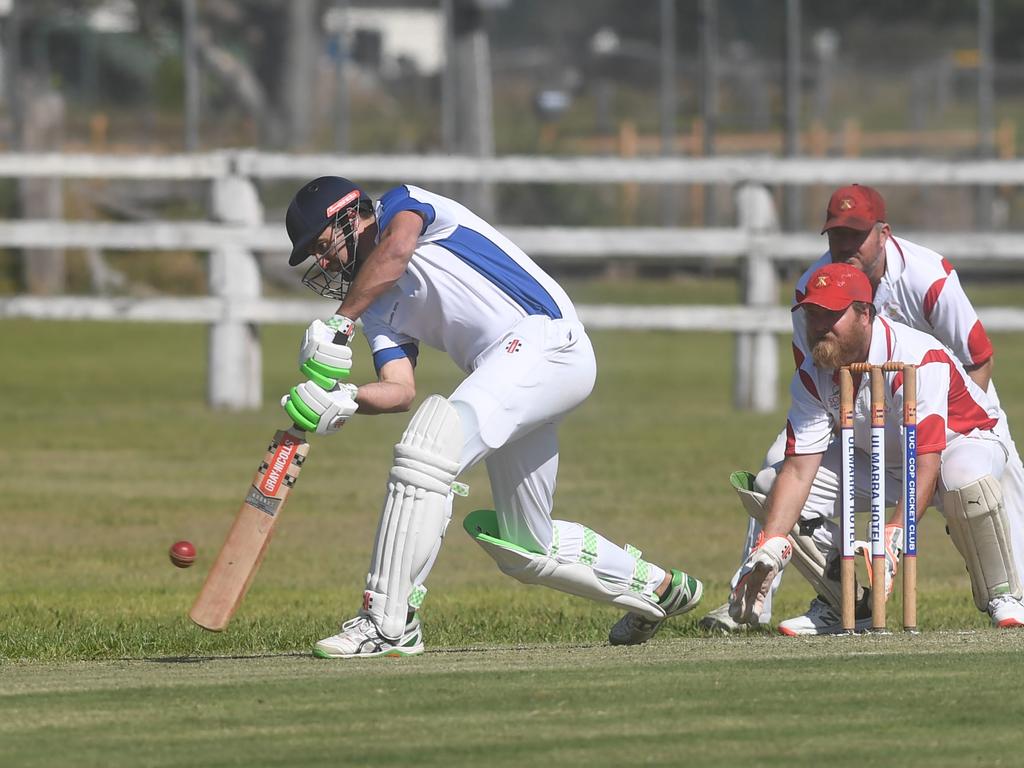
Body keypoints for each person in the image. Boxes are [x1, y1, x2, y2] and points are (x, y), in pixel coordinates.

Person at [280, 176, 703, 658]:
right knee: (526, 548)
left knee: (429, 446)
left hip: (548, 344)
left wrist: (341, 321)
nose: (327, 261)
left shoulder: (405, 205)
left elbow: (396, 250)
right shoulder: (376, 305)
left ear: (350, 214)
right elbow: (400, 390)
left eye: (324, 244)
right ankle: (661, 589)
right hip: (511, 374)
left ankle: (388, 621)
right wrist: (347, 397)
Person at [698, 184, 1024, 635]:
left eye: (832, 316)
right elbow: (798, 469)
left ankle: (1003, 595)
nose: (819, 327)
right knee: (774, 484)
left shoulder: (920, 335)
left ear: (866, 314)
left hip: (958, 439)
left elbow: (929, 454)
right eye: (814, 315)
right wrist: (772, 542)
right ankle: (845, 600)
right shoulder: (817, 366)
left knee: (969, 481)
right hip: (875, 445)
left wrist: (895, 531)